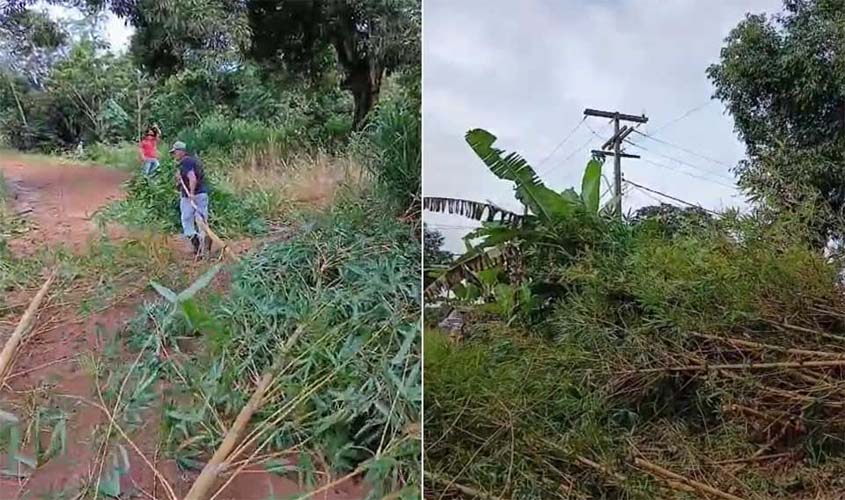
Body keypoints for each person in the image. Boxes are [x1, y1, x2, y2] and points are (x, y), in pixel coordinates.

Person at [170, 141, 210, 256]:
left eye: (175, 152)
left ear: (181, 151)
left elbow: (192, 178)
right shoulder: (193, 161)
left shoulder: (185, 162)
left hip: (191, 196)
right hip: (202, 194)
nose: (174, 155)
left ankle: (197, 244)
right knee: (202, 220)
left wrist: (191, 194)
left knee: (187, 220)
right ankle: (203, 247)